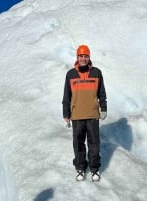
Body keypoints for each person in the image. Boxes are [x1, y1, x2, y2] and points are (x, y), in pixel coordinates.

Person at [62, 45, 107, 181]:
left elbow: (102, 93)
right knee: (78, 143)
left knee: (94, 143)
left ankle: (94, 168)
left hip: (93, 114)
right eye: (81, 56)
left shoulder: (96, 73)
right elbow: (66, 95)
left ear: (89, 57)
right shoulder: (70, 74)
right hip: (76, 115)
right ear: (77, 57)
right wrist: (66, 113)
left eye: (85, 56)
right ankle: (80, 168)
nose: (83, 59)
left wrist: (103, 109)